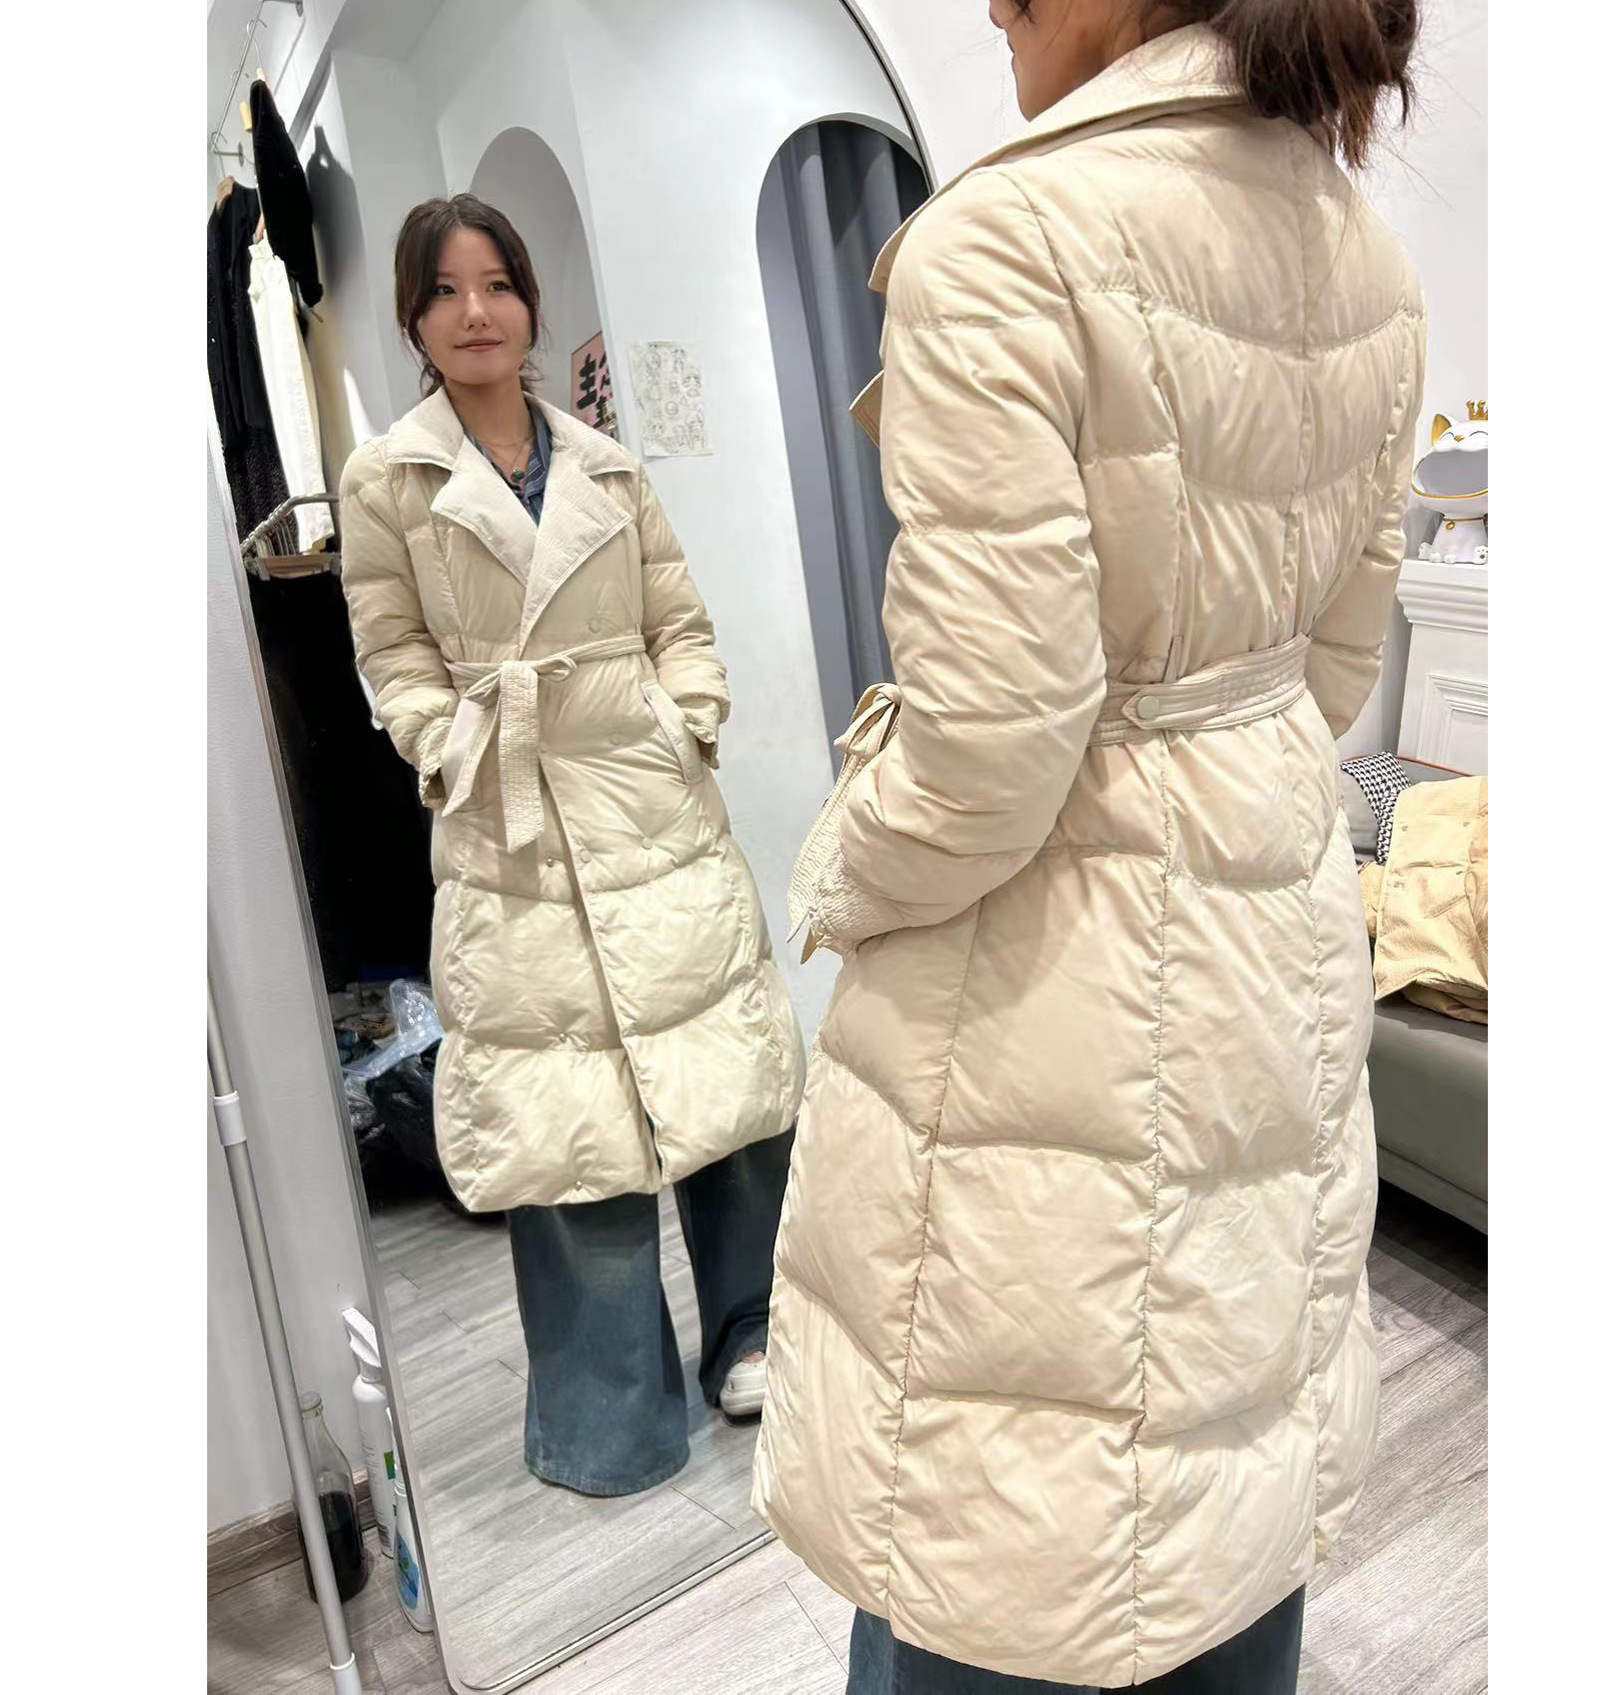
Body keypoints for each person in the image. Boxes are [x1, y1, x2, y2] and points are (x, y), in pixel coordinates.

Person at [754, 3, 1425, 1690]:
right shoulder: (1366, 256)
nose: (993, 6)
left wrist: (842, 868)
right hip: (1275, 911)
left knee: (1011, 1476)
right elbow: (1338, 671)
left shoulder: (1004, 241)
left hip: (1055, 953)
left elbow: (988, 752)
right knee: (1223, 1410)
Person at [339, 195, 805, 1496]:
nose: (475, 312)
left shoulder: (606, 464)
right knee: (564, 1120)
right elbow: (390, 654)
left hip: (650, 804)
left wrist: (686, 722)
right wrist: (447, 748)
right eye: (445, 291)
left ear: (531, 303)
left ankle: (756, 1336)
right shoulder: (388, 481)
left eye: (497, 284)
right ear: (414, 320)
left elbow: (681, 622)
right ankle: (610, 1409)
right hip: (509, 821)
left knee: (722, 1080)